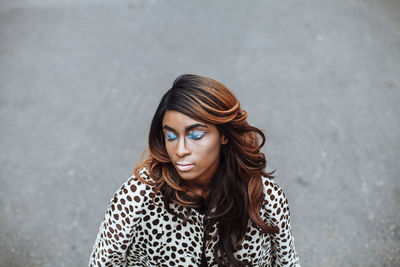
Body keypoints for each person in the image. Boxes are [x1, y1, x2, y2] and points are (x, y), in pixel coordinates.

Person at [89, 74, 300, 266]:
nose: (180, 150)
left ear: (224, 135)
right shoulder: (138, 197)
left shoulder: (264, 197)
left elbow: (287, 263)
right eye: (170, 136)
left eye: (196, 135)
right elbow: (102, 262)